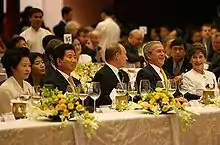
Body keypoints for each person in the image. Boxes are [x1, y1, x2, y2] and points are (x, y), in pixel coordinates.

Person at [0, 47, 32, 113]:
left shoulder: (28, 86)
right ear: (13, 68)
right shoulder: (5, 89)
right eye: (24, 65)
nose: (28, 69)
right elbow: (6, 115)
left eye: (29, 65)